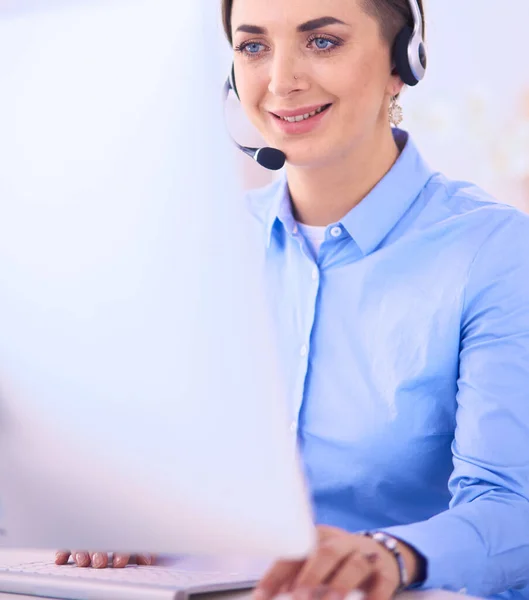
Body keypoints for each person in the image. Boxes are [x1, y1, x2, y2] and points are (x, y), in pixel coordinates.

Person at [59, 1, 529, 598]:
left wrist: (391, 554)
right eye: (254, 47)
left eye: (323, 42)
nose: (281, 81)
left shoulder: (495, 252)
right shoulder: (202, 242)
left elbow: (514, 510)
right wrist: (119, 510)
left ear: (402, 60)